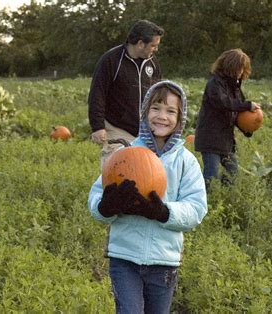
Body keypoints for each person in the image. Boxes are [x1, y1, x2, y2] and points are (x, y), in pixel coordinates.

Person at [88, 80, 207, 313]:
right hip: (124, 258)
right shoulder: (124, 155)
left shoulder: (185, 162)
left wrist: (163, 212)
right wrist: (106, 206)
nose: (162, 116)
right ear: (145, 112)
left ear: (180, 118)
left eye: (170, 111)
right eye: (156, 108)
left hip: (164, 262)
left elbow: (196, 208)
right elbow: (96, 197)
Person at [88, 19, 164, 167]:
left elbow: (159, 95)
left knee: (146, 172)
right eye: (153, 45)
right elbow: (97, 94)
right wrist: (97, 127)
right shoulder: (111, 60)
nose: (156, 49)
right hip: (116, 128)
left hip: (145, 130)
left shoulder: (153, 63)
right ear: (141, 43)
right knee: (118, 171)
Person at [194, 48, 261, 187]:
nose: (241, 72)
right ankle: (204, 201)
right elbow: (224, 103)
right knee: (211, 176)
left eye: (243, 69)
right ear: (229, 66)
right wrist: (247, 105)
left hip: (226, 140)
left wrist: (247, 128)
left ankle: (224, 200)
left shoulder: (235, 88)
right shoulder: (214, 84)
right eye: (238, 68)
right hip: (210, 138)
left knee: (233, 173)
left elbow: (236, 114)